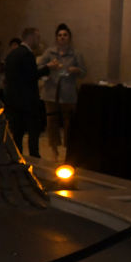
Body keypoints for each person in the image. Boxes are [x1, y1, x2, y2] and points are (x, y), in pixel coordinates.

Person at [37, 23, 87, 161]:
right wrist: (49, 66)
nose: (62, 37)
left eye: (65, 35)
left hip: (68, 91)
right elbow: (38, 67)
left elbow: (84, 72)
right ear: (56, 38)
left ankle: (69, 149)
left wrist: (76, 70)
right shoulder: (49, 52)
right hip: (51, 91)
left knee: (69, 122)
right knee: (51, 121)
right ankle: (54, 149)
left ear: (69, 37)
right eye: (59, 35)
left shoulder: (76, 54)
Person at [4, 27, 46, 158]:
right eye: (37, 37)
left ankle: (17, 157)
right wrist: (47, 69)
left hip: (13, 99)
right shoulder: (27, 54)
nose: (38, 41)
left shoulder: (12, 54)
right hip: (28, 100)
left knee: (18, 132)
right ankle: (34, 156)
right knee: (33, 130)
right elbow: (31, 76)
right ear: (31, 37)